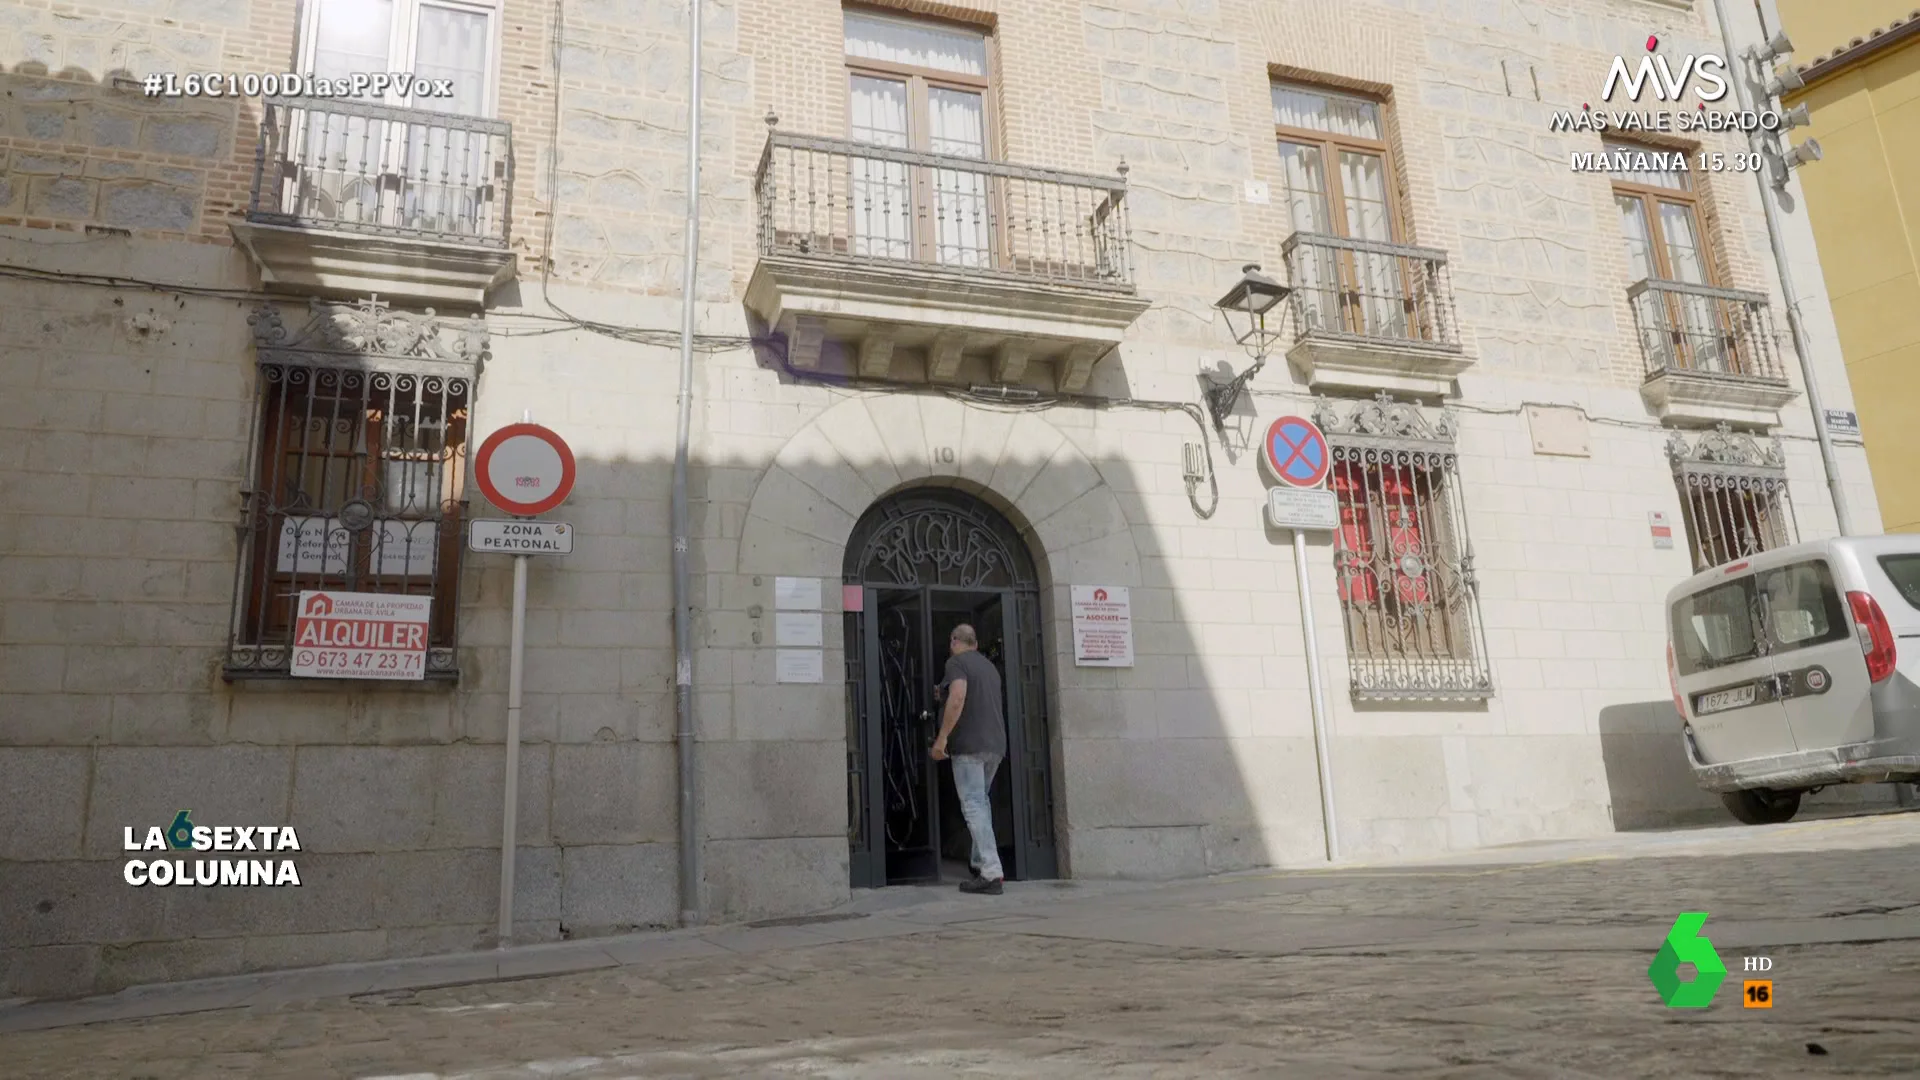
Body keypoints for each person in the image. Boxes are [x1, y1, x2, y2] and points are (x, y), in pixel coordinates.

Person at [930, 622, 1007, 894]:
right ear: (975, 642)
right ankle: (978, 863)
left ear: (954, 641)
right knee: (981, 803)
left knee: (973, 805)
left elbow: (959, 696)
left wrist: (941, 739)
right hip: (995, 746)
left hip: (969, 747)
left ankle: (991, 872)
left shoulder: (957, 663)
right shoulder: (989, 668)